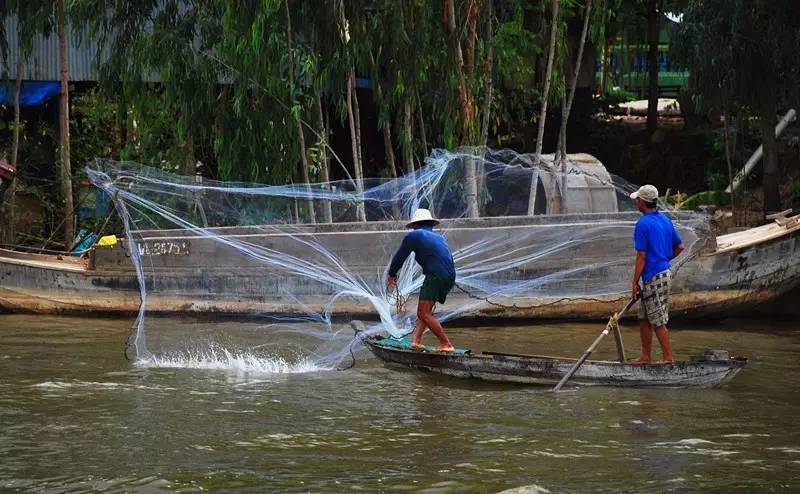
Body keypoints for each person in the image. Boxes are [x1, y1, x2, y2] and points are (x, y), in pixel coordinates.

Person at [387, 208, 456, 352]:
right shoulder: (440, 237)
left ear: (414, 225)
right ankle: (416, 340)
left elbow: (400, 256)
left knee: (423, 313)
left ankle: (446, 343)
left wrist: (392, 273)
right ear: (430, 224)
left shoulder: (415, 236)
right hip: (449, 276)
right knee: (426, 312)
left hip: (435, 276)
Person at [629, 184, 684, 364]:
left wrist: (634, 282)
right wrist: (665, 258)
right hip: (662, 272)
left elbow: (641, 257)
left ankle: (668, 359)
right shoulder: (665, 220)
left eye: (637, 200)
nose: (636, 202)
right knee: (644, 317)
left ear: (642, 202)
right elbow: (679, 247)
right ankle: (646, 356)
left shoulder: (643, 224)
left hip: (654, 276)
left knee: (657, 320)